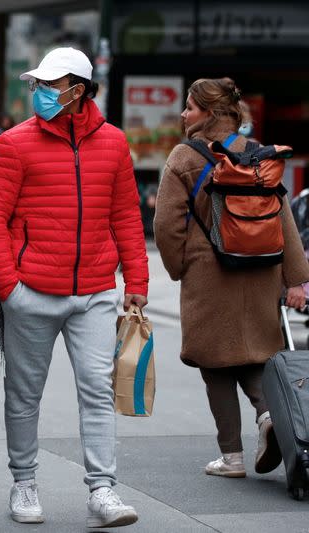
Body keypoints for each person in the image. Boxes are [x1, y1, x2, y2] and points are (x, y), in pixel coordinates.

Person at [0, 47, 148, 528]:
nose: (42, 93)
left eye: (51, 85)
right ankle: (24, 483)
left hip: (94, 291)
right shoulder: (14, 143)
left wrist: (136, 280)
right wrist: (9, 286)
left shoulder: (113, 143)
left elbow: (127, 217)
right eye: (39, 85)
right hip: (30, 290)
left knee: (97, 390)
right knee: (24, 394)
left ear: (79, 89)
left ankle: (102, 490)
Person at [154, 77, 309, 479]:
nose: (184, 114)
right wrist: (295, 279)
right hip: (262, 271)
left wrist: (178, 267)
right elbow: (284, 217)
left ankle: (232, 457)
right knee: (256, 354)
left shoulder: (184, 157)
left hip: (209, 273)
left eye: (189, 107)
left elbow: (167, 225)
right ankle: (269, 417)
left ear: (209, 112)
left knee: (214, 363)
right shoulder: (260, 155)